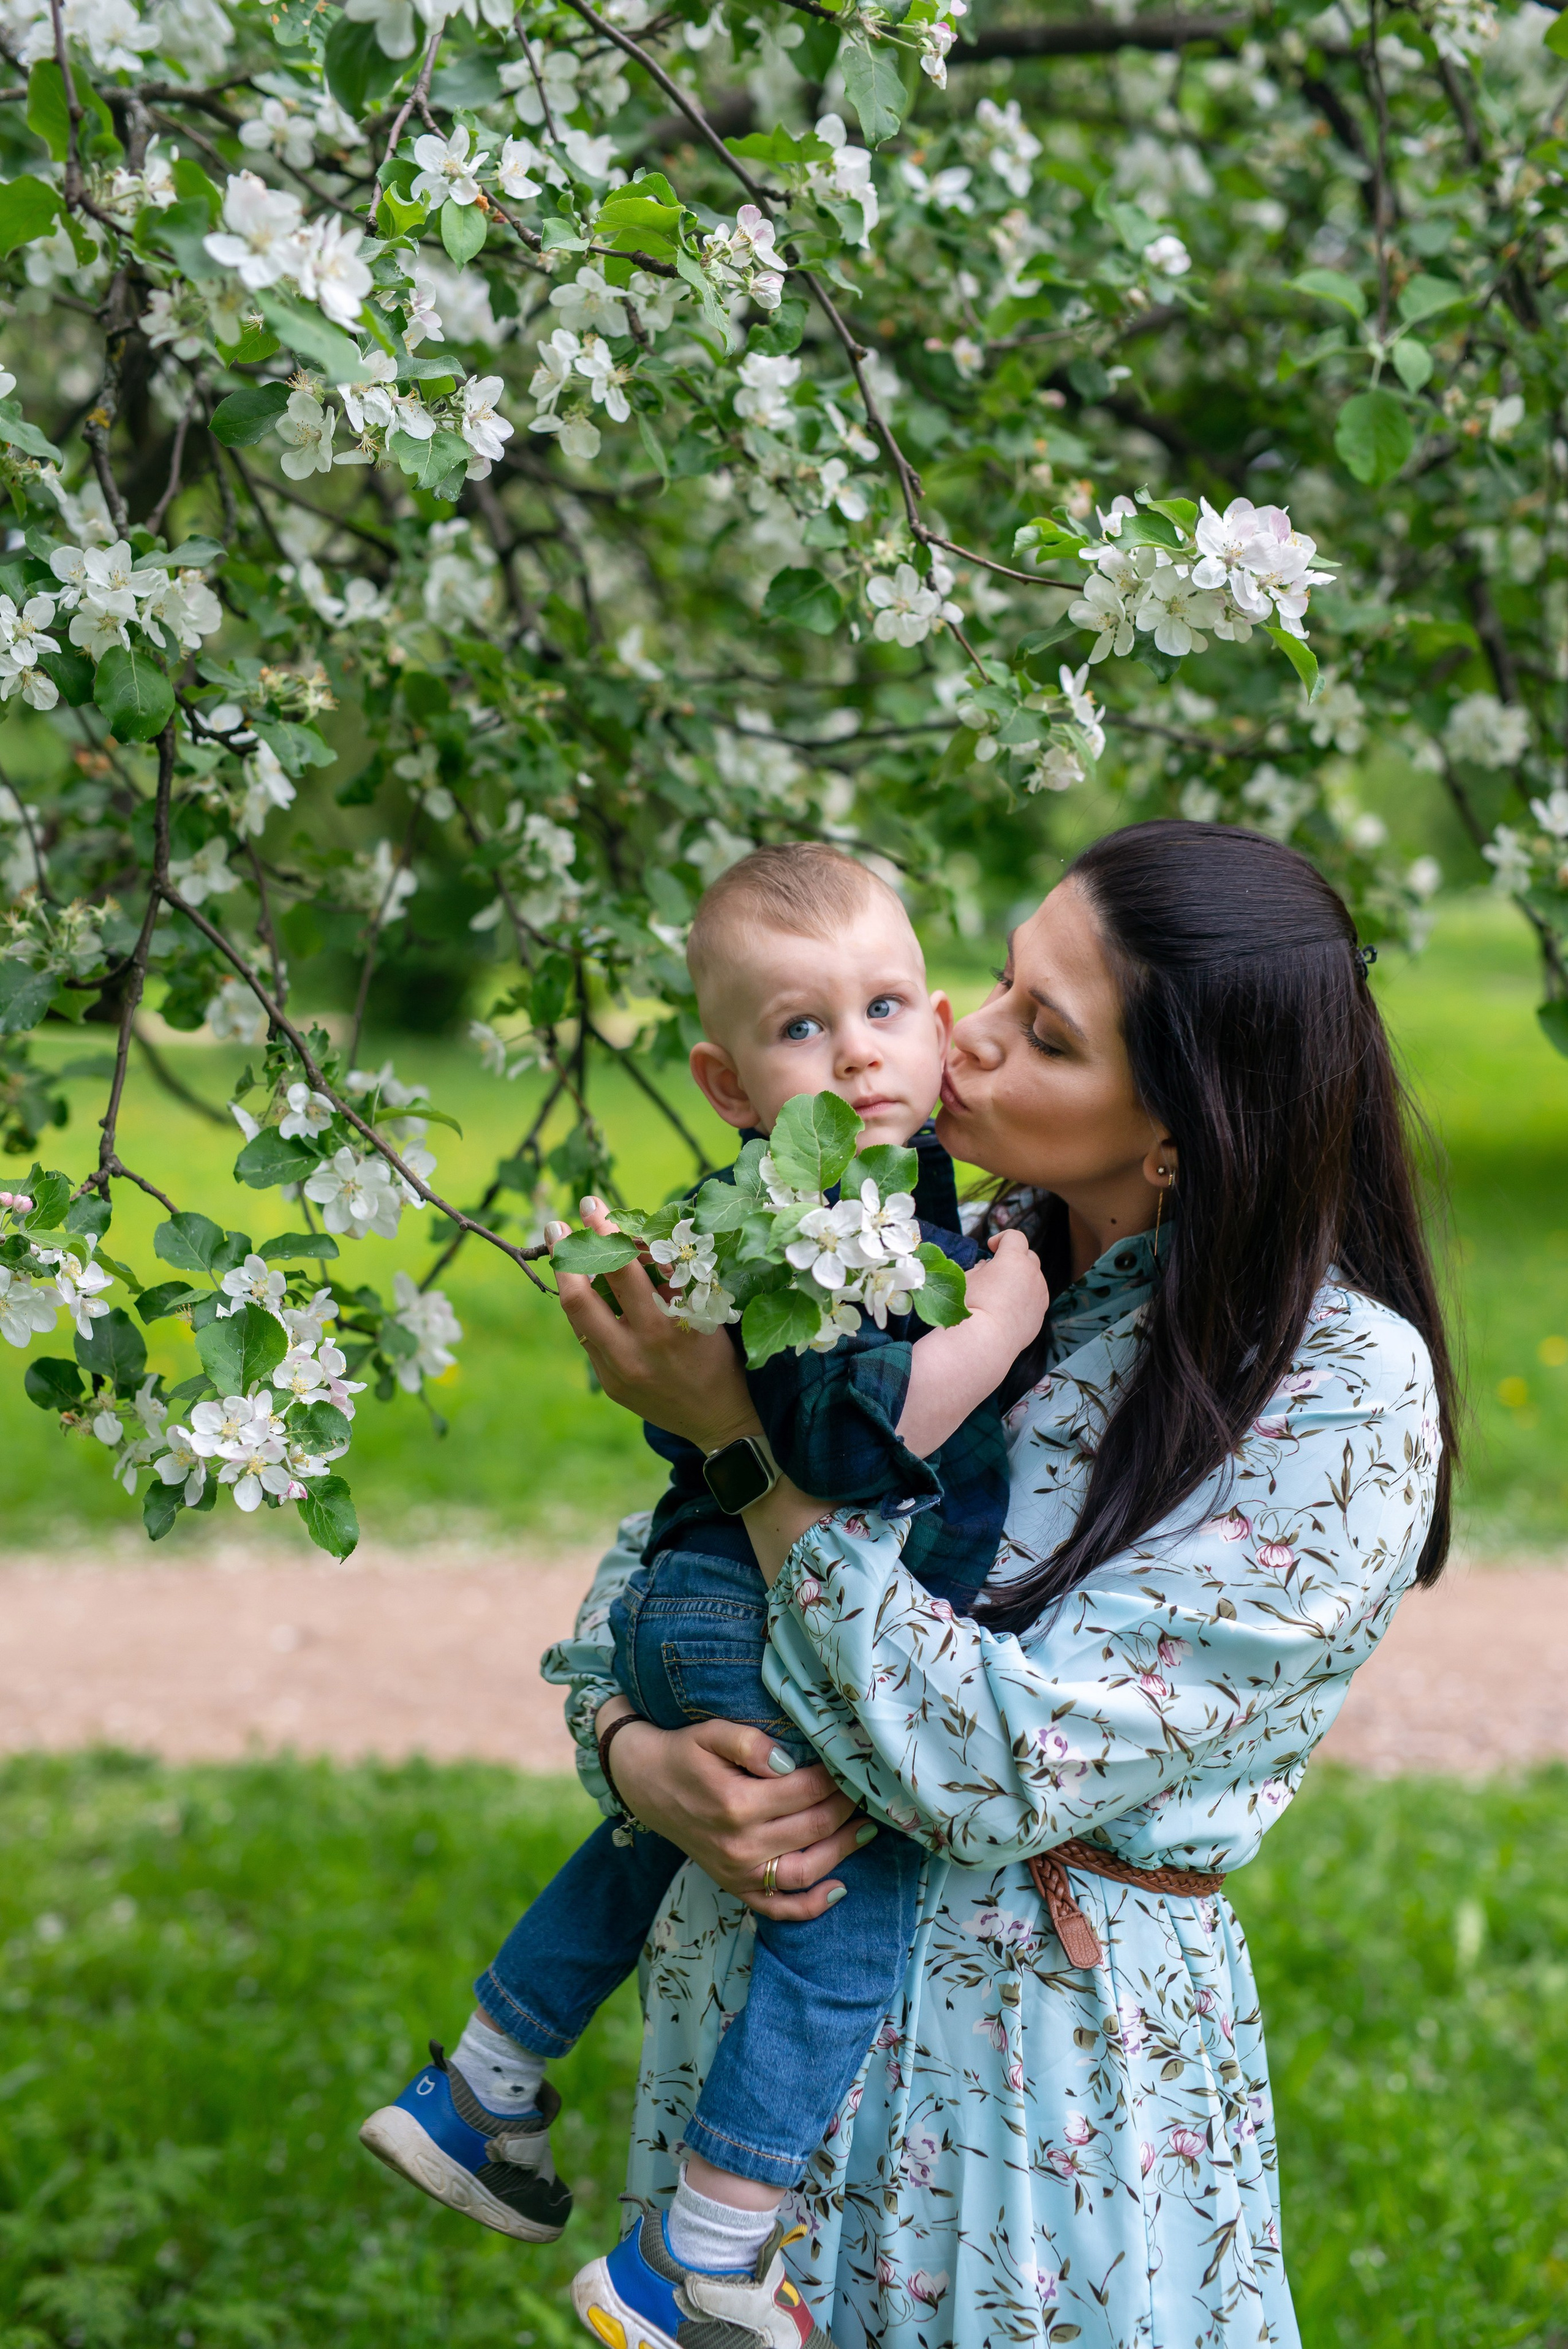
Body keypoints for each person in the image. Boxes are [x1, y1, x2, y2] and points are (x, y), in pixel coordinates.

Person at [546, 822, 1457, 2349]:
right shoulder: (914, 1256)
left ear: (1177, 1129)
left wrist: (741, 1452)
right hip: (750, 2059)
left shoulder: (1330, 1388)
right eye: (1000, 981)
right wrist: (639, 1760)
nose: (959, 1037)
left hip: (1026, 2101)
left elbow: (991, 1762)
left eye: (1045, 1033)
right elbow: (644, 1598)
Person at [359, 845, 1046, 2331]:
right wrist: (995, 1326)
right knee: (838, 1919)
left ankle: (482, 2082)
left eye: (882, 1009)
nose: (854, 1054)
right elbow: (844, 1442)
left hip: (687, 1600)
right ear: (729, 1084)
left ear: (935, 1024)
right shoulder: (814, 1217)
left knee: (655, 1835)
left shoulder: (866, 1185)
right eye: (802, 1027)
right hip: (756, 1605)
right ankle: (701, 2259)